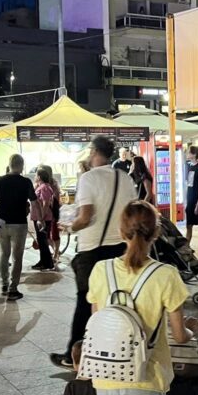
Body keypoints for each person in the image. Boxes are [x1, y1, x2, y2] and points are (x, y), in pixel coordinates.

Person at [86, 200, 198, 395]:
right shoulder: (166, 275)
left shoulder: (101, 270)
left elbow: (99, 322)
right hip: (146, 377)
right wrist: (191, 329)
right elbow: (179, 336)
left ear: (121, 231)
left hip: (105, 375)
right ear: (156, 232)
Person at [51, 136, 137, 369]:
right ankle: (117, 349)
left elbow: (86, 217)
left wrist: (70, 227)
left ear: (95, 152)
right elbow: (132, 211)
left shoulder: (88, 178)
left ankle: (74, 354)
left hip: (92, 250)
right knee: (116, 301)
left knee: (86, 301)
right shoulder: (124, 178)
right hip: (120, 248)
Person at [0, 154, 37, 297]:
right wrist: (39, 219)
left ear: (9, 165)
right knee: (17, 257)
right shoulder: (26, 182)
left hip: (2, 223)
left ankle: (4, 284)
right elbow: (34, 203)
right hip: (19, 223)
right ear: (22, 166)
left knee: (4, 254)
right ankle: (13, 289)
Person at [31, 167, 57, 271]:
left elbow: (46, 203)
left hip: (43, 218)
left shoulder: (45, 187)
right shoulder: (41, 187)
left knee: (43, 241)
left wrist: (41, 218)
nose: (35, 177)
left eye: (36, 175)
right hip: (39, 217)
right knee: (41, 241)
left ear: (39, 177)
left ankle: (47, 263)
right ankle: (43, 261)